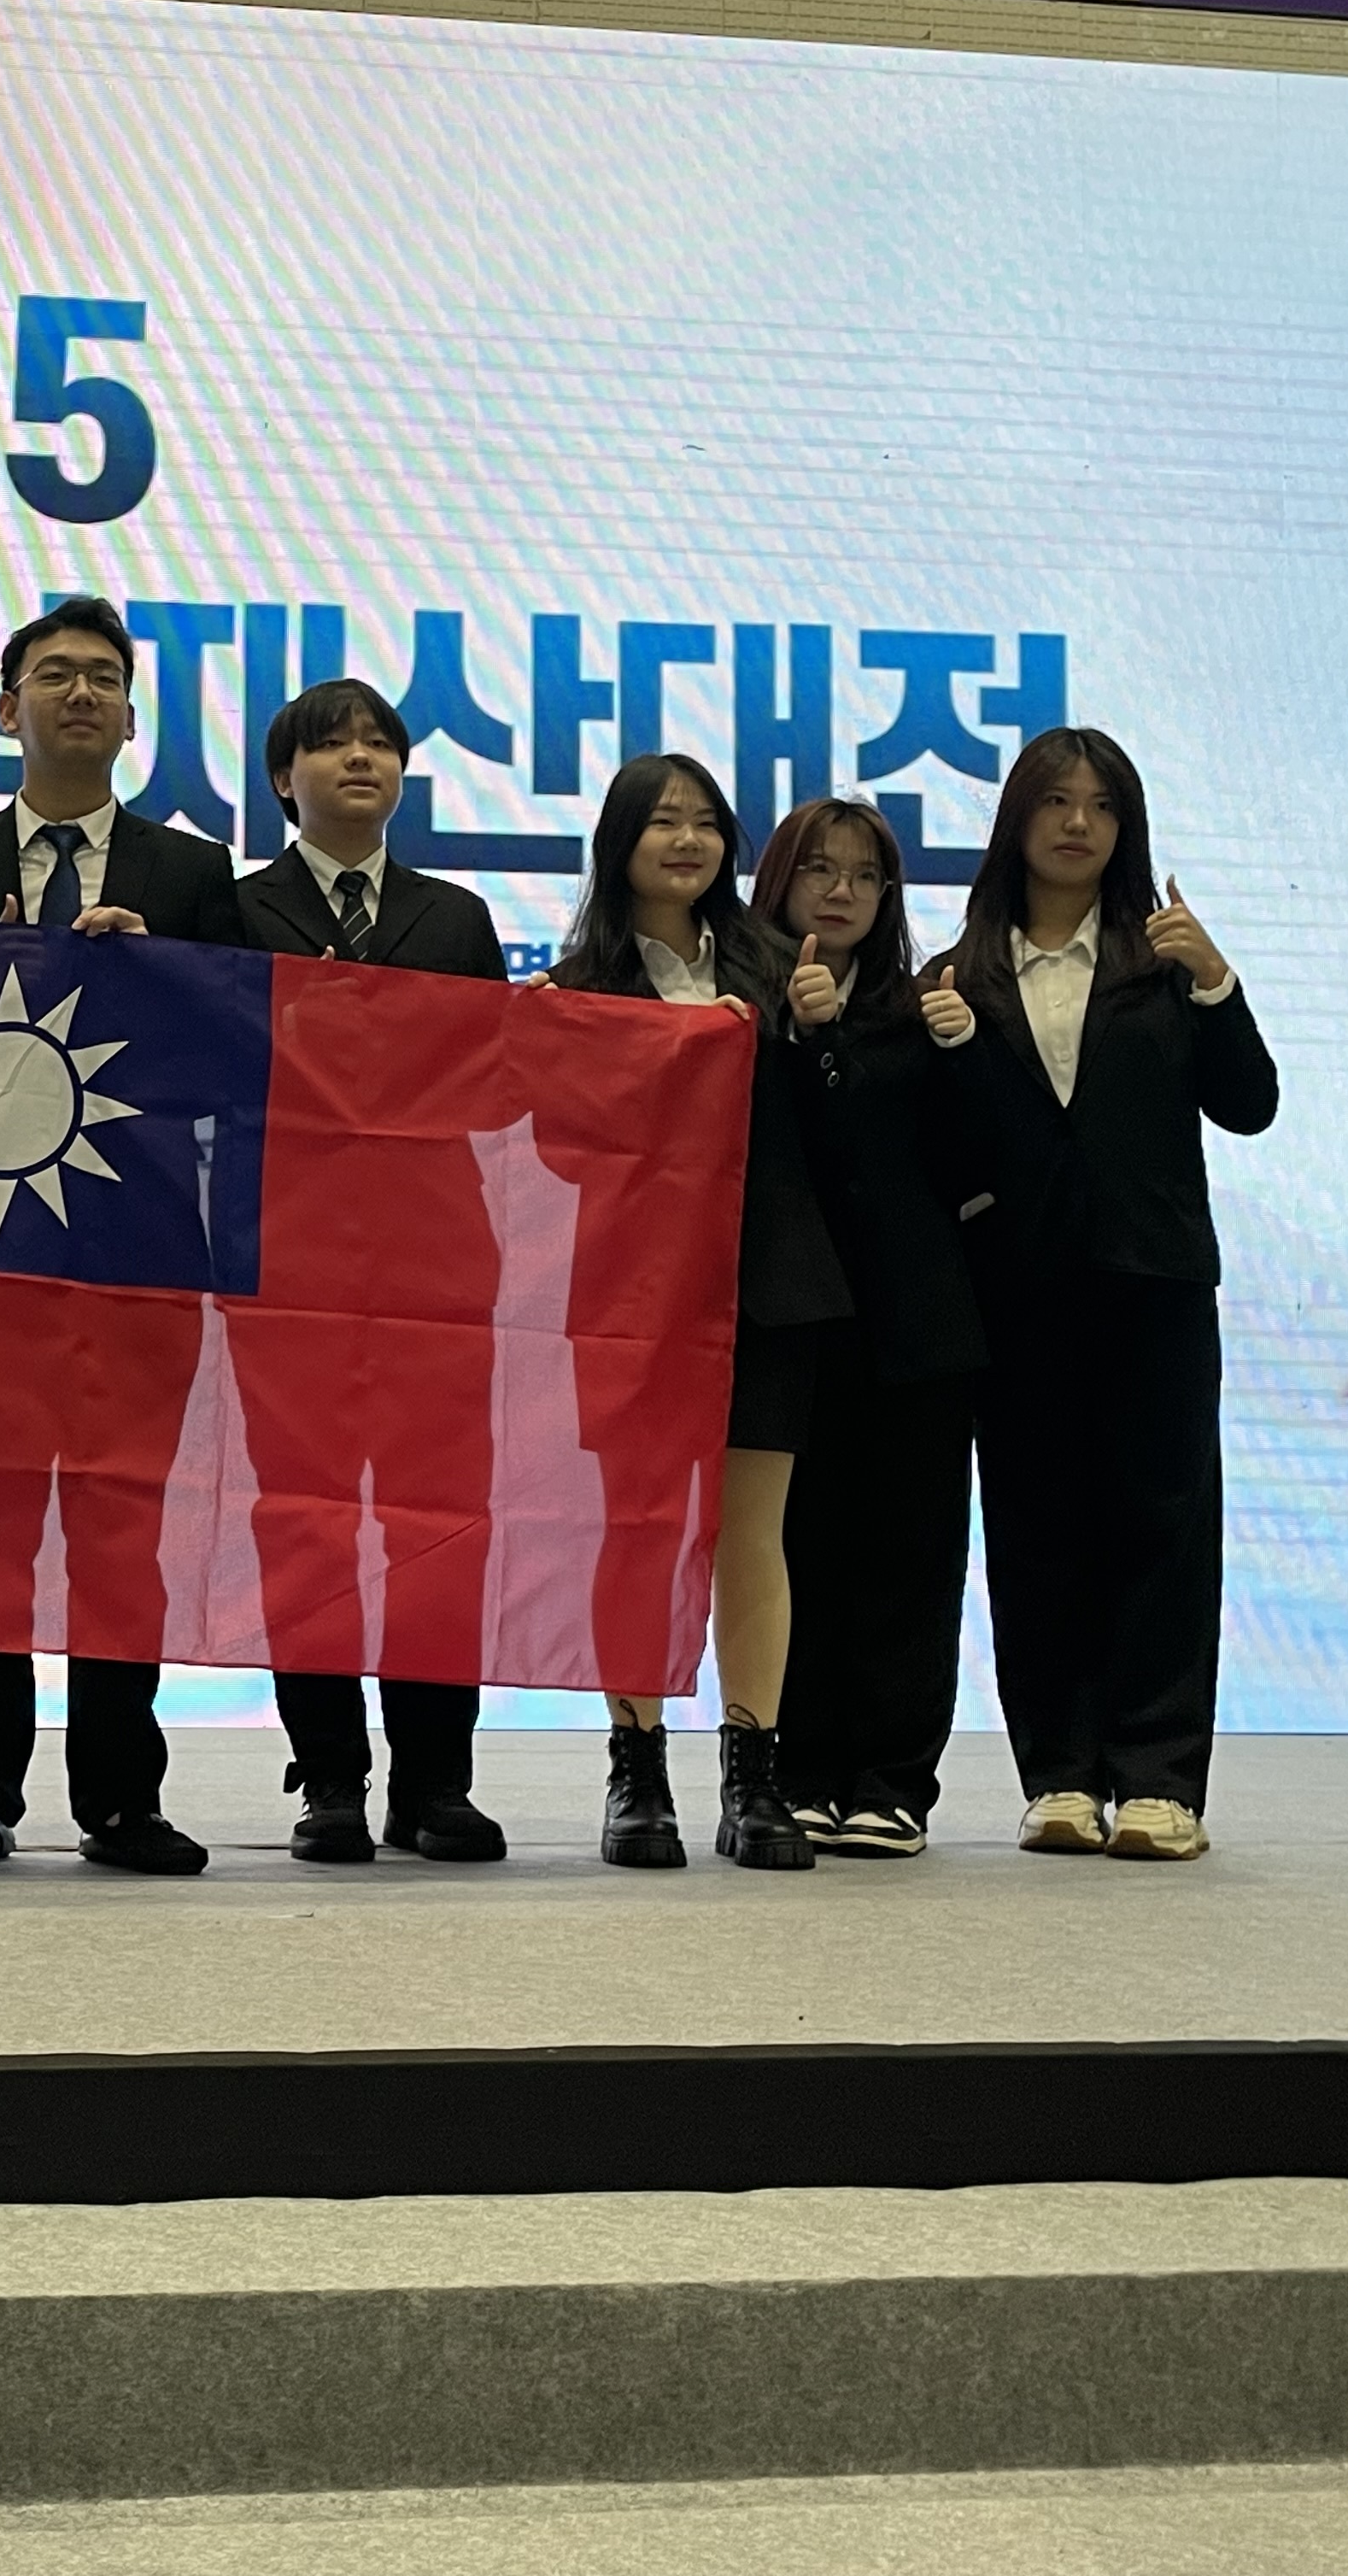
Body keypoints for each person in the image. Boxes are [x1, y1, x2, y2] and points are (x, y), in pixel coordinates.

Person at [0, 596, 249, 1876]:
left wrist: (163, 975)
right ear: (9, 707)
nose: (82, 693)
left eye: (104, 676)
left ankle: (121, 1797)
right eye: (56, 674)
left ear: (133, 717)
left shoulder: (192, 875)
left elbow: (236, 1062)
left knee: (120, 1528)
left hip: (140, 1248)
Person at [925, 729, 1275, 1861]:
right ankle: (1062, 1777)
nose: (1078, 824)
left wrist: (1216, 983)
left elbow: (1251, 1105)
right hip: (1016, 1292)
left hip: (1153, 1283)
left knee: (1164, 1527)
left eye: (1103, 805)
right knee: (1036, 1531)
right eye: (1057, 801)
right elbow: (937, 1151)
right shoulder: (953, 977)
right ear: (1016, 820)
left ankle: (1162, 1781)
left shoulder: (1164, 966)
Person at [228, 678, 512, 1865]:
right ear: (281, 779)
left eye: (380, 744)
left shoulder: (457, 918)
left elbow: (495, 1086)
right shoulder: (233, 911)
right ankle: (331, 1777)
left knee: (437, 1521)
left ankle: (436, 1781)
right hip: (285, 1257)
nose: (361, 759)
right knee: (305, 1521)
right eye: (332, 744)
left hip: (437, 1259)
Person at [546, 755, 845, 1872]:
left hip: (767, 1283)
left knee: (752, 1533)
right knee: (635, 1527)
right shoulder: (577, 983)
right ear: (619, 841)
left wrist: (810, 1036)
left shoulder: (782, 965)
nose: (687, 841)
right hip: (627, 1289)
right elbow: (556, 1152)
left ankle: (755, 1775)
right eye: (662, 822)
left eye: (706, 822)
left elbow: (836, 1134)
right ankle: (637, 1769)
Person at [747, 797, 988, 1857]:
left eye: (864, 875)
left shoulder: (926, 1007)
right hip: (791, 1325)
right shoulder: (743, 1007)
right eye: (819, 870)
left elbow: (978, 1162)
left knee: (910, 1558)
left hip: (916, 1327)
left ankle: (893, 1782)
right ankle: (799, 1770)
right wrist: (804, 1038)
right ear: (780, 882)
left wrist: (966, 1053)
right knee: (798, 1550)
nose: (840, 892)